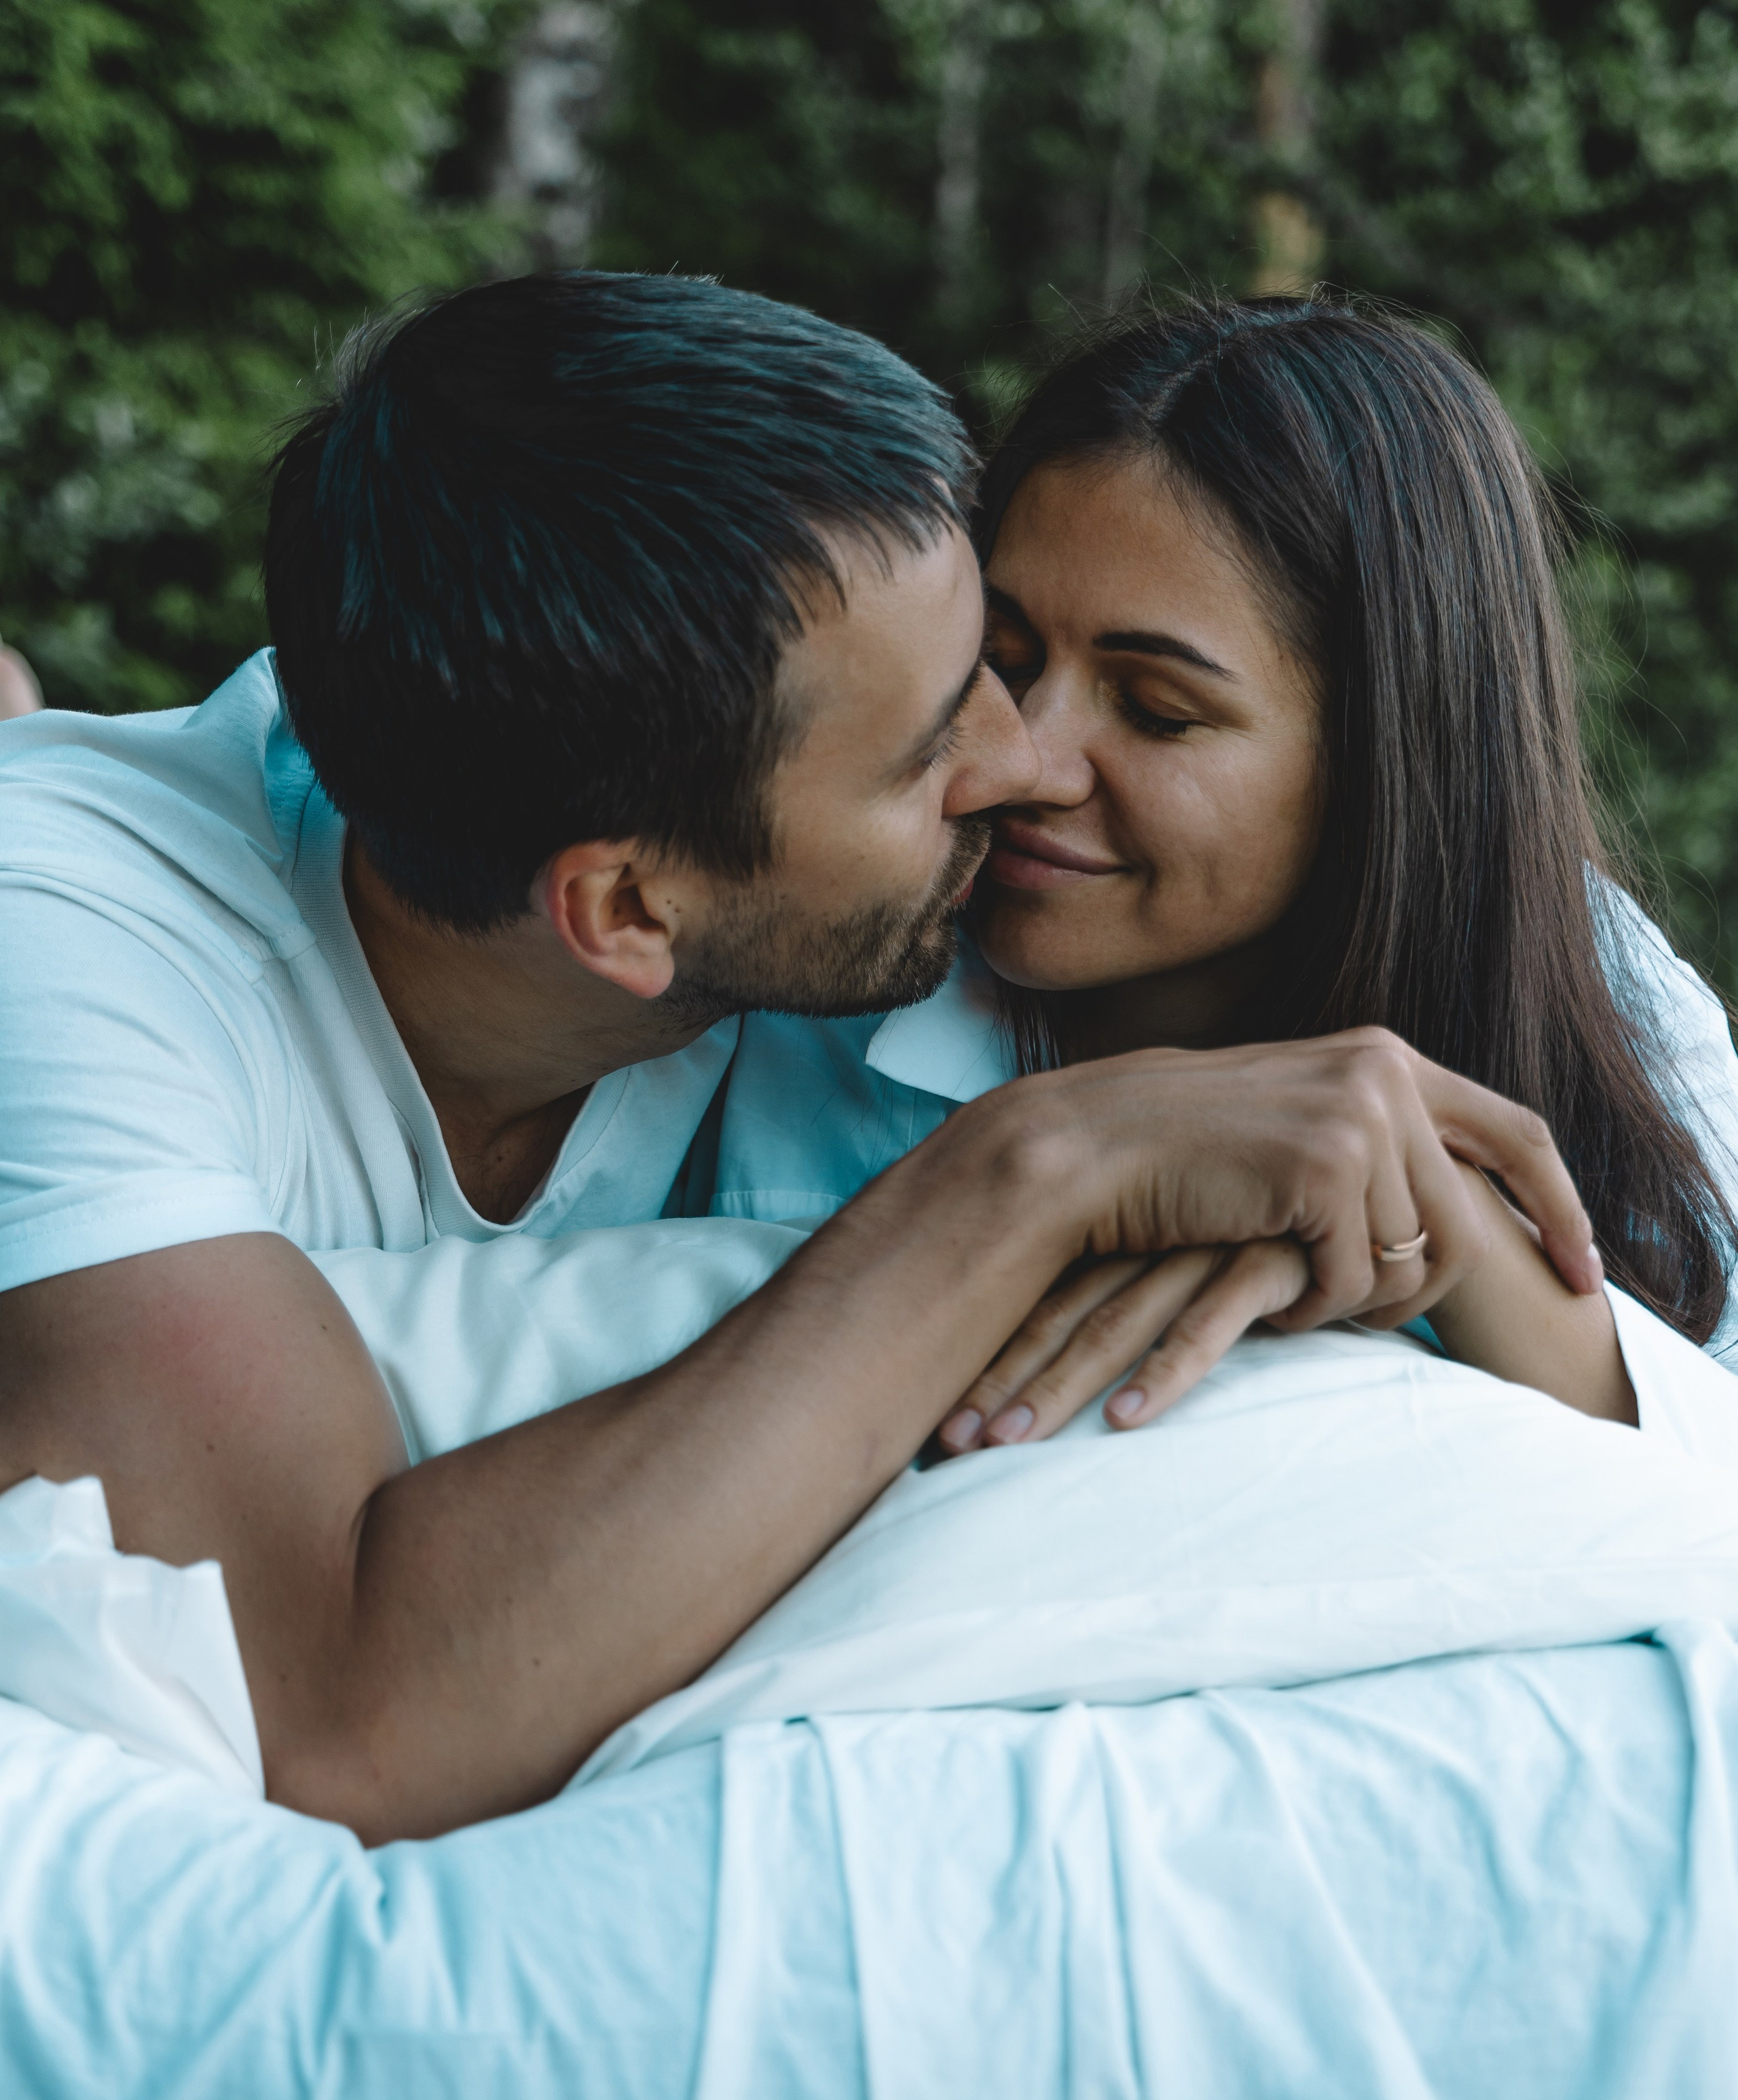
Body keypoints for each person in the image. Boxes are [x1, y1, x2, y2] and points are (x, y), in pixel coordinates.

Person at [0, 274, 1598, 1845]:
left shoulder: (828, 866)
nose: (1019, 762)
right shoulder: (82, 967)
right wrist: (1023, 1177)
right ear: (628, 908)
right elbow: (342, 1722)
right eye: (928, 749)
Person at [707, 297, 1738, 1452]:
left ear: (1390, 758)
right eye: (995, 660)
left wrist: (1459, 1234)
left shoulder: (1609, 1005)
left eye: (1158, 712)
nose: (1021, 760)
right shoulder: (810, 946)